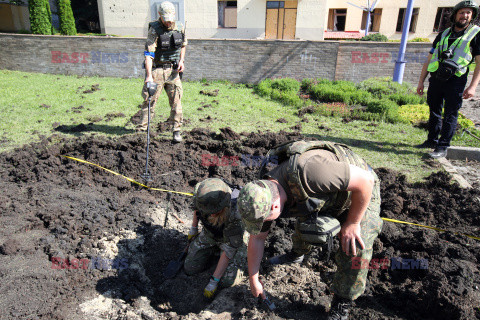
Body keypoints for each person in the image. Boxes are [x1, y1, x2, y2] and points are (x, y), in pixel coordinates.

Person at [237, 140, 382, 320]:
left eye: (263, 221)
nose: (261, 225)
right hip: (323, 191)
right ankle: (297, 254)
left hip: (360, 186)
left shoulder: (310, 172)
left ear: (274, 207)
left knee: (356, 245)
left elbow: (365, 181)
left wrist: (353, 223)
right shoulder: (262, 193)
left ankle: (341, 303)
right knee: (306, 214)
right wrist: (254, 278)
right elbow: (257, 238)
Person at [417, 0, 480, 158]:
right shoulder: (444, 34)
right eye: (462, 12)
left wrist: (473, 87)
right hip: (437, 78)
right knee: (434, 110)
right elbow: (429, 59)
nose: (465, 15)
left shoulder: (475, 34)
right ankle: (432, 140)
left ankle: (442, 146)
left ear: (472, 16)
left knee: (451, 113)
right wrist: (421, 82)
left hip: (456, 80)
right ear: (455, 15)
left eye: (468, 13)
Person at [184, 178, 246, 299]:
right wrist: (193, 228)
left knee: (227, 281)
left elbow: (229, 249)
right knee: (190, 268)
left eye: (215, 212)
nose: (211, 214)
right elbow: (196, 209)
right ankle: (214, 250)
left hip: (233, 239)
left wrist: (213, 281)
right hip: (210, 233)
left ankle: (244, 257)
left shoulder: (236, 213)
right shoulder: (201, 194)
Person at [137, 1, 187, 143]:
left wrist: (182, 61)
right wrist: (148, 77)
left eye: (170, 18)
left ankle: (176, 131)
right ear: (160, 15)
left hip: (173, 71)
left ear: (174, 15)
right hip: (157, 71)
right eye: (165, 18)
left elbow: (183, 45)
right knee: (149, 101)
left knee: (176, 102)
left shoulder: (180, 27)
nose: (168, 21)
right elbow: (148, 54)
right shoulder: (154, 29)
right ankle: (142, 131)